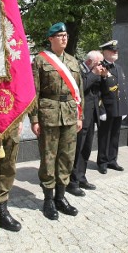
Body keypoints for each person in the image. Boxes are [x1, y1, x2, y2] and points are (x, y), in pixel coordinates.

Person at [30, 22, 84, 220]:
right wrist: (34, 118)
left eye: (66, 35)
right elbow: (33, 92)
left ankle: (61, 198)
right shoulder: (40, 61)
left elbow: (80, 92)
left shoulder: (72, 61)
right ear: (51, 39)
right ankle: (48, 200)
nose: (64, 38)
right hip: (48, 115)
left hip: (70, 114)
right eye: (59, 35)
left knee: (67, 157)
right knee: (48, 158)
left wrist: (80, 116)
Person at [67, 50, 105, 197]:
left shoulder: (93, 71)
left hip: (92, 115)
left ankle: (81, 177)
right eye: (98, 63)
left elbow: (100, 92)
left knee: (86, 150)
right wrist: (94, 74)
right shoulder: (79, 69)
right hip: (80, 117)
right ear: (89, 62)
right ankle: (72, 182)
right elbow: (79, 89)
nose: (100, 65)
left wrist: (102, 76)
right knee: (77, 149)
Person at [97, 40, 128, 174]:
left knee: (115, 135)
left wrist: (124, 108)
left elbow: (122, 89)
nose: (115, 52)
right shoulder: (100, 67)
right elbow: (97, 91)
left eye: (116, 50)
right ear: (104, 52)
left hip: (118, 108)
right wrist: (101, 110)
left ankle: (112, 160)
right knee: (104, 135)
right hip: (107, 108)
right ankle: (102, 162)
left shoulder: (118, 67)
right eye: (112, 50)